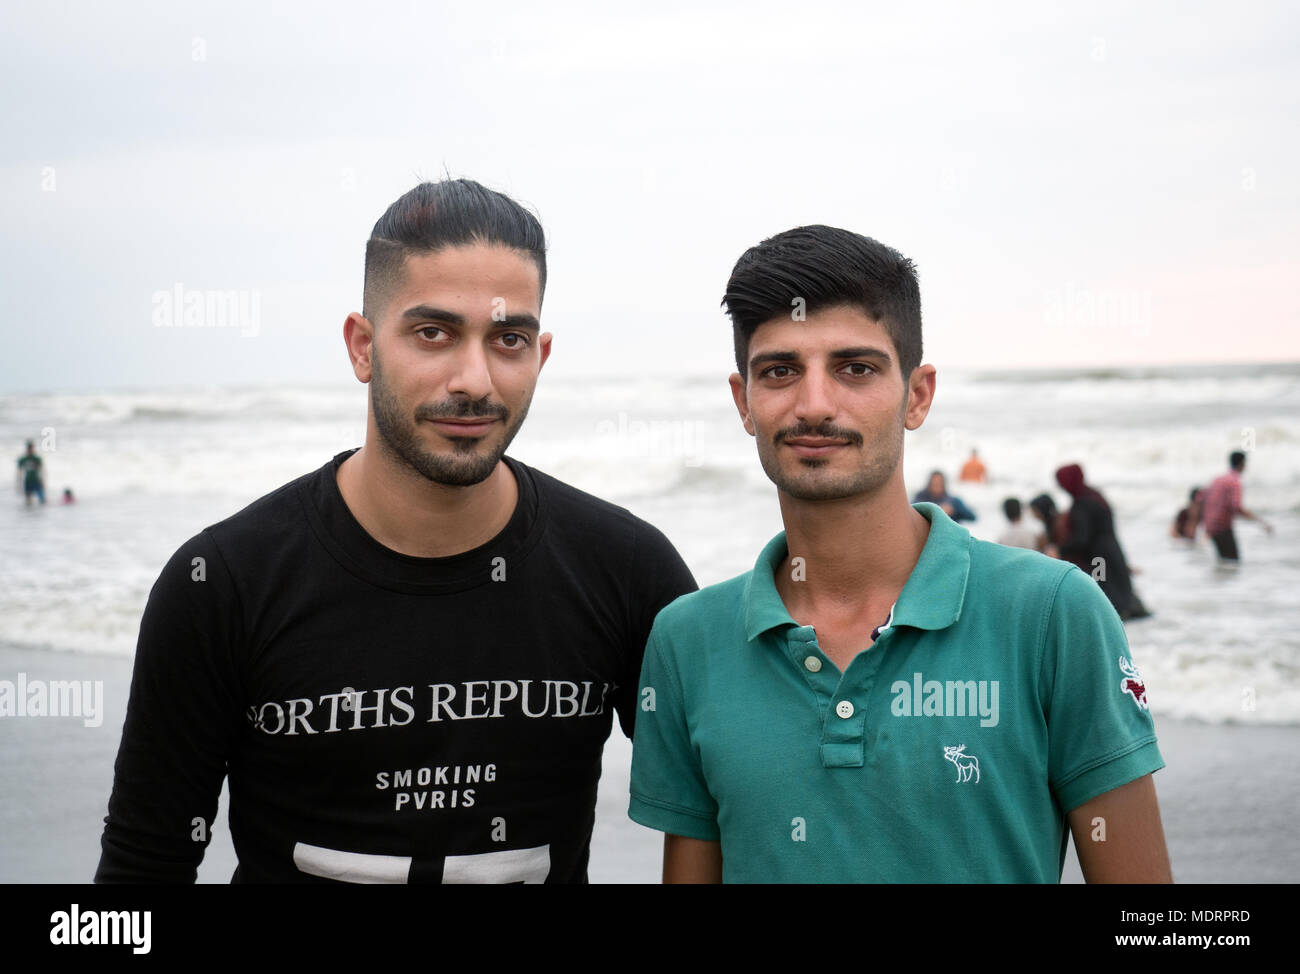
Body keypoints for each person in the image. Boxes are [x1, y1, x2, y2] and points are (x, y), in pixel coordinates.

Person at [96, 178, 697, 884]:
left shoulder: (625, 570)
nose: (475, 379)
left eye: (509, 339)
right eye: (433, 333)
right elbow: (143, 868)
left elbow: (721, 802)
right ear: (362, 347)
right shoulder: (222, 583)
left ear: (540, 355)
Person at [628, 225, 1171, 883]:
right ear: (745, 401)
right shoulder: (688, 642)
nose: (815, 404)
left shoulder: (1052, 614)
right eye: (780, 371)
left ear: (917, 395)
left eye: (855, 368)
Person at [1054, 463, 1150, 621]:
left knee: (1106, 601)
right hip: (1112, 552)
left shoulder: (1082, 505)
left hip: (1098, 559)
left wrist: (1060, 550)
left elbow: (1082, 539)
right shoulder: (1096, 496)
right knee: (1120, 598)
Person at [1201, 451, 1272, 562]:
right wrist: (1260, 521)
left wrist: (1207, 526)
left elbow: (1205, 501)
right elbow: (1237, 507)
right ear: (1242, 464)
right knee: (1233, 564)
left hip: (1211, 527)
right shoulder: (1235, 482)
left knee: (1224, 563)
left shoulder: (1217, 480)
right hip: (1223, 528)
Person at [911, 469, 975, 522]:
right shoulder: (921, 498)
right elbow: (910, 512)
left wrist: (954, 510)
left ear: (944, 484)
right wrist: (937, 511)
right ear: (929, 483)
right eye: (934, 483)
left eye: (939, 483)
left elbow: (972, 517)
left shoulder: (954, 501)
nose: (937, 485)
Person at [1028, 493, 1065, 557]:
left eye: (1034, 510)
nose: (1033, 514)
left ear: (1042, 509)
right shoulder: (1049, 524)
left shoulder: (1057, 524)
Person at [16, 440, 45, 506]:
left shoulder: (37, 459)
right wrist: (19, 484)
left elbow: (41, 471)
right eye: (29, 448)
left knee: (42, 500)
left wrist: (43, 482)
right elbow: (19, 472)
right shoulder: (23, 459)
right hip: (27, 481)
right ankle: (29, 515)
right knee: (28, 502)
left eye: (31, 448)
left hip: (36, 480)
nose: (30, 450)